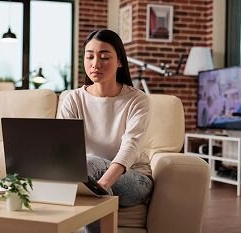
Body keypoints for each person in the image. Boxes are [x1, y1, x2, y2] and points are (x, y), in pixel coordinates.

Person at [58, 29, 153, 233]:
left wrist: (98, 187)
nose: (95, 63)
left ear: (119, 61)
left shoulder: (137, 100)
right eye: (90, 56)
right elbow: (63, 148)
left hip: (134, 179)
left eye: (104, 57)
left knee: (90, 163)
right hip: (87, 176)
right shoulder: (73, 99)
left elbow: (131, 146)